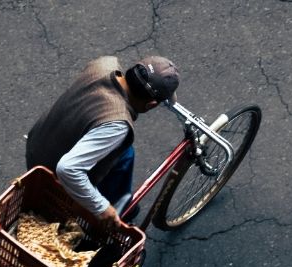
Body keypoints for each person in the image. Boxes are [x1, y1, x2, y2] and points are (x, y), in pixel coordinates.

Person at [26, 55, 180, 228]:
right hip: (51, 178)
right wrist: (101, 207)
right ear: (151, 104)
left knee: (125, 153)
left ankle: (122, 202)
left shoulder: (104, 65)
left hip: (38, 146)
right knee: (120, 150)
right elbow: (67, 169)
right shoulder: (117, 124)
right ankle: (115, 212)